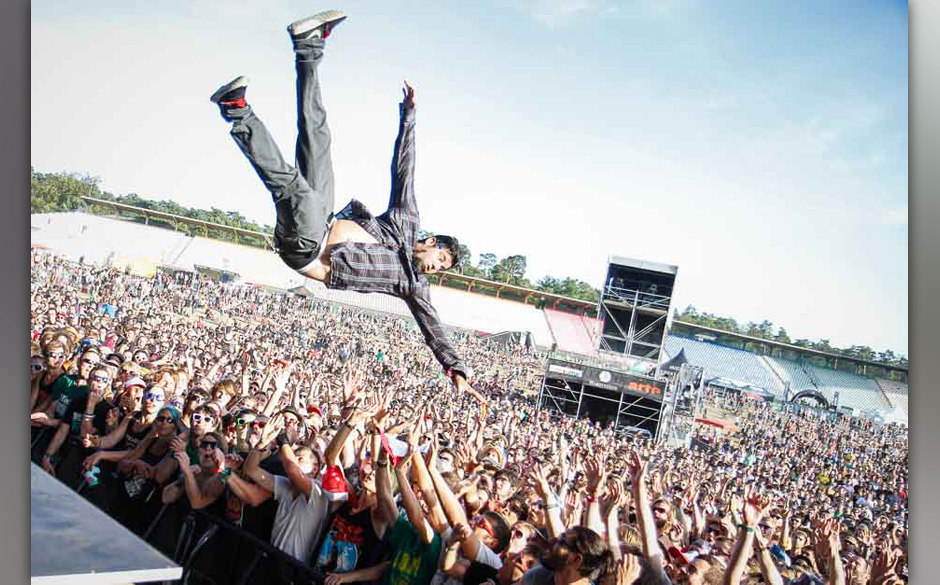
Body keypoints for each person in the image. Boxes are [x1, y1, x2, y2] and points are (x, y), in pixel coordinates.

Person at [209, 9, 483, 405]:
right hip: (325, 217)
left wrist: (455, 368)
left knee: (296, 191)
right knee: (317, 138)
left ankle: (237, 110)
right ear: (429, 241)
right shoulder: (406, 221)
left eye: (441, 269)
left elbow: (433, 328)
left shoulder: (412, 285)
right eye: (439, 258)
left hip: (305, 250)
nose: (435, 268)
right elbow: (404, 169)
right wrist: (409, 117)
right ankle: (308, 47)